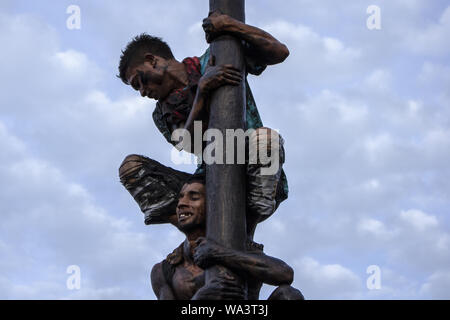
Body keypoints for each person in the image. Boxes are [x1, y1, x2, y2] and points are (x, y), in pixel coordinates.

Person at [118, 12, 291, 239]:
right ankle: (195, 238)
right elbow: (189, 144)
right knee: (131, 168)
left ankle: (246, 234)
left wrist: (230, 25)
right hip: (206, 180)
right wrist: (202, 92)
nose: (142, 92)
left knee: (266, 139)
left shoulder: (217, 56)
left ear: (153, 60)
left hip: (253, 170)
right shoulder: (161, 113)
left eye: (139, 81)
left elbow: (279, 52)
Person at [150, 174, 304, 300]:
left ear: (212, 206)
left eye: (194, 198)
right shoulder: (165, 270)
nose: (181, 204)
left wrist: (220, 253)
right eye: (181, 198)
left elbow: (285, 274)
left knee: (289, 295)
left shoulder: (241, 248)